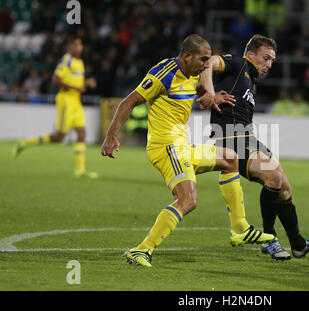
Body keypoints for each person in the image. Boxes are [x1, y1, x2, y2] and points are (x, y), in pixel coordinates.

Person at [100, 34, 274, 268]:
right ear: (187, 56)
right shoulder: (165, 72)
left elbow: (195, 90)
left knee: (231, 159)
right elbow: (128, 102)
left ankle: (240, 228)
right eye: (203, 59)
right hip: (166, 147)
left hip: (183, 146)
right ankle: (141, 250)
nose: (206, 64)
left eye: (208, 60)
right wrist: (111, 136)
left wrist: (211, 97)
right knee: (188, 200)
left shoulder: (192, 74)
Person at [198, 34, 309, 260]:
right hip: (229, 139)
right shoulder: (239, 64)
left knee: (285, 188)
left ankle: (298, 244)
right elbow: (208, 63)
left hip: (248, 138)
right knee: (274, 177)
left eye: (272, 61)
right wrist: (209, 93)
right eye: (266, 58)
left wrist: (207, 93)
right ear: (251, 54)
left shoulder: (250, 79)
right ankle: (269, 239)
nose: (269, 64)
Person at [12, 38, 98, 179]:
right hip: (66, 100)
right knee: (59, 137)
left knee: (82, 133)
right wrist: (76, 87)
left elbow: (76, 81)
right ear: (70, 47)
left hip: (76, 101)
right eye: (76, 44)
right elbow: (56, 79)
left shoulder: (80, 63)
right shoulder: (66, 60)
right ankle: (24, 143)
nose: (79, 47)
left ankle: (80, 170)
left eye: (80, 44)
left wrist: (86, 83)